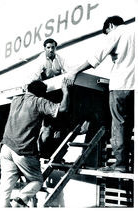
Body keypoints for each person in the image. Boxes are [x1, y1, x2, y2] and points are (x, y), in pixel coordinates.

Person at [66, 16, 134, 173]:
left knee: (119, 124)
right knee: (131, 126)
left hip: (121, 85)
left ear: (110, 25)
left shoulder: (116, 33)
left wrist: (75, 71)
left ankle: (121, 165)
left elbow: (96, 58)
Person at [0, 79, 70, 207]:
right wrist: (66, 91)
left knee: (5, 189)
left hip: (6, 148)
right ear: (41, 94)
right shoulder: (39, 102)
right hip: (22, 151)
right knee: (36, 181)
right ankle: (20, 201)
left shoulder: (15, 100)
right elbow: (63, 108)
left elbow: (25, 91)